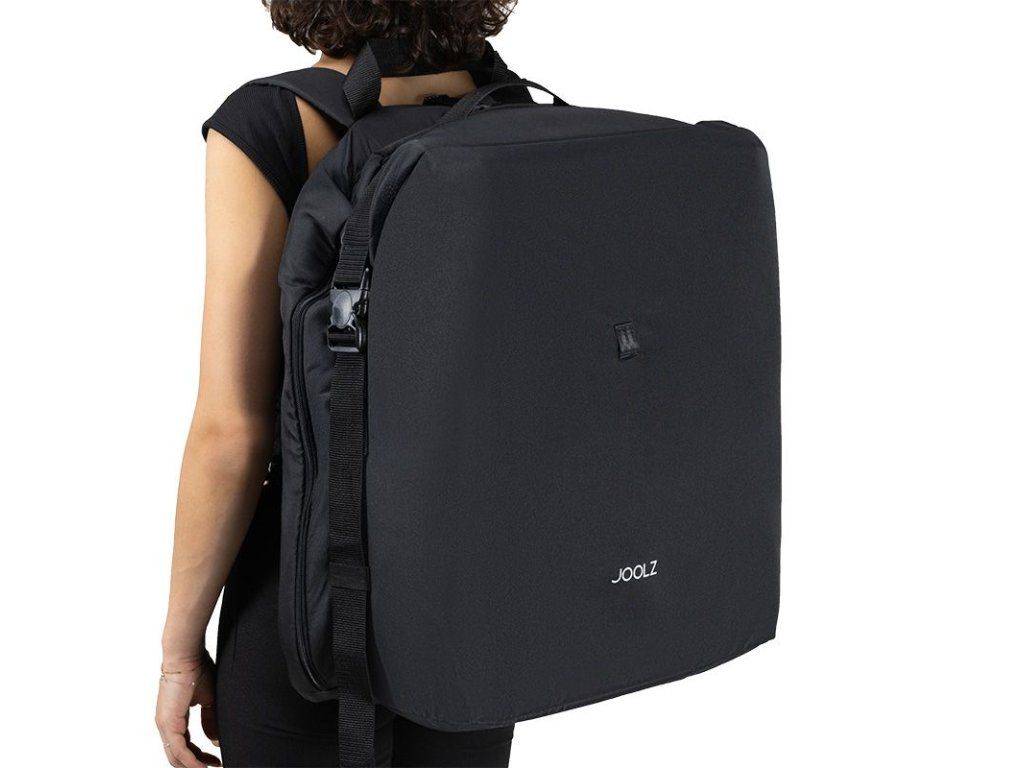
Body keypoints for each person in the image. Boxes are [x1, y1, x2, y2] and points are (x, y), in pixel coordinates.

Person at [156, 3, 519, 766]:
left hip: (308, 605)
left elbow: (232, 431)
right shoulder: (512, 110)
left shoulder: (270, 122)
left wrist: (178, 654)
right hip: (475, 600)